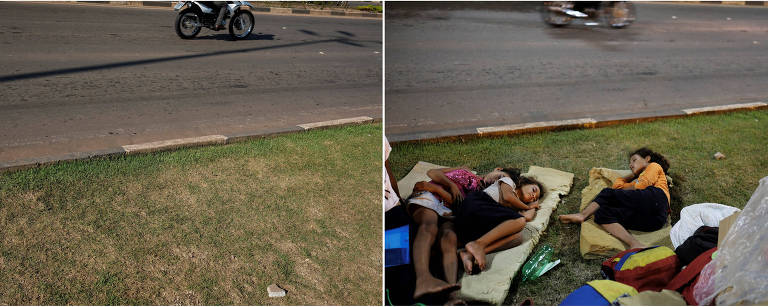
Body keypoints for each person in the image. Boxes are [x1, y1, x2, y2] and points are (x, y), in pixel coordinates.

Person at [407, 166, 515, 300]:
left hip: (448, 212)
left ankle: (451, 294)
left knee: (449, 238)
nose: (494, 182)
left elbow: (461, 206)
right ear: (497, 169)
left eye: (498, 184)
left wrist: (439, 189)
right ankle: (423, 280)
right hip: (429, 197)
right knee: (429, 226)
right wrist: (450, 185)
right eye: (499, 177)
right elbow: (432, 172)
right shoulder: (465, 171)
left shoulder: (483, 195)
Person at [558, 147, 671, 249]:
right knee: (602, 214)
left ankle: (582, 215)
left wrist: (619, 190)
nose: (630, 165)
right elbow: (617, 186)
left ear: (647, 158)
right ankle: (634, 244)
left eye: (634, 160)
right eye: (630, 163)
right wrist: (633, 174)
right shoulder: (636, 180)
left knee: (607, 192)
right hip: (654, 221)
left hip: (657, 198)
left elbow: (641, 186)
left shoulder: (654, 166)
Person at [453, 172, 545, 274]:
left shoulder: (515, 208)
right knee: (519, 221)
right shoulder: (509, 182)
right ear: (523, 182)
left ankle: (469, 253)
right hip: (476, 204)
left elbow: (527, 217)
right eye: (534, 190)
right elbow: (508, 197)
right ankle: (478, 245)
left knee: (517, 237)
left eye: (535, 198)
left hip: (479, 222)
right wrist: (528, 207)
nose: (533, 196)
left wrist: (534, 205)